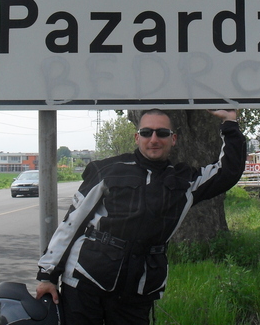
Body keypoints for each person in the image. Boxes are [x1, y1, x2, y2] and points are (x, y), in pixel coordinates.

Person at [35, 109, 246, 324]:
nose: (154, 139)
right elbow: (72, 222)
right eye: (146, 133)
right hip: (86, 280)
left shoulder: (186, 181)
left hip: (139, 288)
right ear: (137, 138)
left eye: (162, 133)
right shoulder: (108, 170)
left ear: (173, 139)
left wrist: (230, 123)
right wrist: (47, 275)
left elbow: (228, 171)